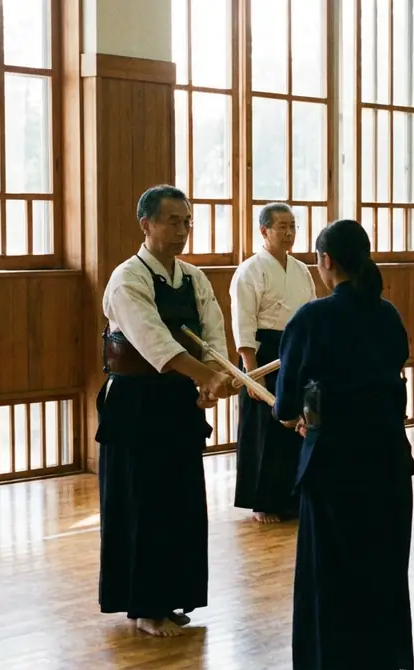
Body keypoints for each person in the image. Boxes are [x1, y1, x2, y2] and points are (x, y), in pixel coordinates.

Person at [273, 219, 414, 669]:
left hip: (334, 466)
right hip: (389, 462)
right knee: (383, 571)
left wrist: (303, 419)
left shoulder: (312, 318)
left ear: (327, 261)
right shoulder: (387, 313)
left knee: (331, 576)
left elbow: (283, 404)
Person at [97, 184, 235, 637]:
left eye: (187, 222)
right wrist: (203, 375)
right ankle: (143, 606)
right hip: (137, 405)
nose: (182, 230)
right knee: (142, 503)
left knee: (180, 503)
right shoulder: (127, 278)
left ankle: (172, 597)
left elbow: (211, 334)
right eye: (172, 221)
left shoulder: (193, 277)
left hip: (179, 402)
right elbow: (151, 339)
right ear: (146, 224)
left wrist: (214, 377)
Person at [230, 203, 317, 524]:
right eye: (282, 226)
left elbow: (309, 313)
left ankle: (292, 497)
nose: (289, 232)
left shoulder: (300, 270)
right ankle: (262, 500)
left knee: (294, 422)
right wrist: (251, 369)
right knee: (264, 426)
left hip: (294, 351)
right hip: (263, 352)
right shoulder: (250, 270)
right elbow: (244, 320)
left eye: (293, 226)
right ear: (263, 231)